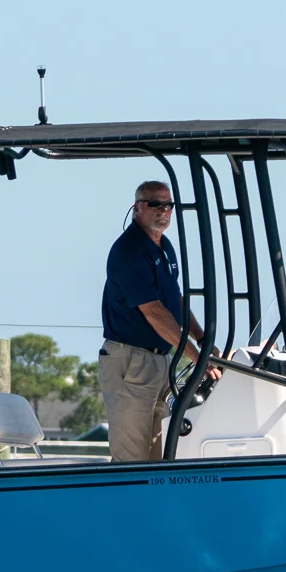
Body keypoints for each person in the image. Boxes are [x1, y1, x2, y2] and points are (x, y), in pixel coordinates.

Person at [99, 181, 211, 461]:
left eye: (168, 204)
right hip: (132, 361)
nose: (164, 210)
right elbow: (154, 312)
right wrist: (196, 357)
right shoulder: (129, 251)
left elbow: (176, 300)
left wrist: (202, 340)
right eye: (155, 204)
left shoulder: (164, 246)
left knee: (159, 456)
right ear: (137, 207)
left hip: (160, 361)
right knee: (132, 459)